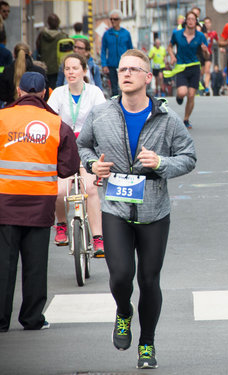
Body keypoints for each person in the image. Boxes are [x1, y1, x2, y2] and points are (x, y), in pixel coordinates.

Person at [77, 49, 196, 369]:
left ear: (148, 77)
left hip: (154, 211)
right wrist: (92, 165)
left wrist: (161, 163)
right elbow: (83, 145)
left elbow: (188, 157)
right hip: (115, 208)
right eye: (122, 69)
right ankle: (124, 312)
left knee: (148, 279)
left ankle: (147, 344)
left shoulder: (167, 119)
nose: (126, 74)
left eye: (134, 69)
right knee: (120, 277)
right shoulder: (101, 113)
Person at [0, 71, 79, 332]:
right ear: (46, 93)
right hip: (39, 204)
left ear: (19, 91)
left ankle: (1, 321)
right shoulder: (56, 124)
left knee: (4, 264)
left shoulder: (2, 118)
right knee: (35, 265)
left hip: (5, 203)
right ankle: (32, 318)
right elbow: (68, 168)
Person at [48, 53, 106, 256]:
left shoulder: (95, 92)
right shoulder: (57, 93)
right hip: (64, 148)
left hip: (88, 147)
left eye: (75, 68)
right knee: (60, 191)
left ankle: (98, 238)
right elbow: (50, 120)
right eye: (67, 68)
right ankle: (62, 225)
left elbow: (102, 118)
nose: (71, 72)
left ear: (84, 70)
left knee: (90, 188)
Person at [168, 11, 209, 129]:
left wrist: (205, 50)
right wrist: (172, 56)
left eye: (193, 19)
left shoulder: (200, 36)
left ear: (196, 22)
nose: (191, 21)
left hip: (195, 67)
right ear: (186, 21)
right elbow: (170, 47)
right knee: (182, 92)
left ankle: (186, 119)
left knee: (191, 95)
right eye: (189, 19)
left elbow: (206, 56)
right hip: (181, 66)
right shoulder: (177, 34)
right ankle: (179, 97)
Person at [101, 9, 133, 97]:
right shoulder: (107, 34)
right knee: (114, 88)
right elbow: (103, 50)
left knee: (124, 86)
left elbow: (131, 50)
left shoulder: (126, 33)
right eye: (111, 19)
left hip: (124, 65)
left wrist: (131, 63)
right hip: (111, 65)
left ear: (120, 20)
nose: (112, 21)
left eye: (115, 19)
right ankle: (115, 106)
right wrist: (104, 65)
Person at [35, 13, 68, 90]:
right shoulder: (63, 36)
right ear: (58, 23)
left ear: (48, 23)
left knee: (45, 89)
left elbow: (38, 49)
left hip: (44, 67)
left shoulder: (42, 35)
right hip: (58, 68)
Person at [203, 16, 219, 96]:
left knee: (207, 70)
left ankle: (206, 87)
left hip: (209, 53)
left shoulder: (213, 33)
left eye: (208, 23)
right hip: (201, 54)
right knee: (201, 72)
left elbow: (219, 41)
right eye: (205, 23)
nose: (207, 24)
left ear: (211, 24)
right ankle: (201, 85)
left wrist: (222, 48)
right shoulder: (200, 33)